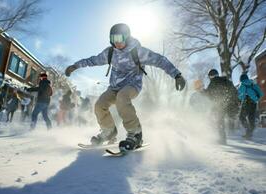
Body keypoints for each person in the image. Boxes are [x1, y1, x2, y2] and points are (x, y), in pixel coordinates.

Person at [65, 23, 186, 151]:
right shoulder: (110, 52)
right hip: (114, 87)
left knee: (122, 98)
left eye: (119, 38)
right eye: (113, 39)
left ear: (127, 37)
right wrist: (75, 66)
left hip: (132, 85)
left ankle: (135, 134)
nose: (117, 43)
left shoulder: (138, 51)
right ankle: (109, 131)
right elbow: (92, 60)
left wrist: (177, 75)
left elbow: (160, 60)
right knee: (99, 105)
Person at [205, 69, 239, 144]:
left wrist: (202, 91)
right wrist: (236, 102)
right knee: (227, 117)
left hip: (220, 105)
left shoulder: (213, 83)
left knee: (219, 120)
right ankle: (232, 126)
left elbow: (208, 94)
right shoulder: (226, 80)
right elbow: (234, 91)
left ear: (211, 76)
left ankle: (222, 139)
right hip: (230, 103)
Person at [238, 73, 263, 138]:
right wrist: (255, 98)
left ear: (241, 79)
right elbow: (261, 93)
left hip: (246, 102)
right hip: (254, 103)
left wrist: (241, 100)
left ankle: (248, 130)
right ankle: (249, 133)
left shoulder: (242, 84)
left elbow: (241, 95)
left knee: (241, 117)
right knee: (251, 118)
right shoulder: (253, 83)